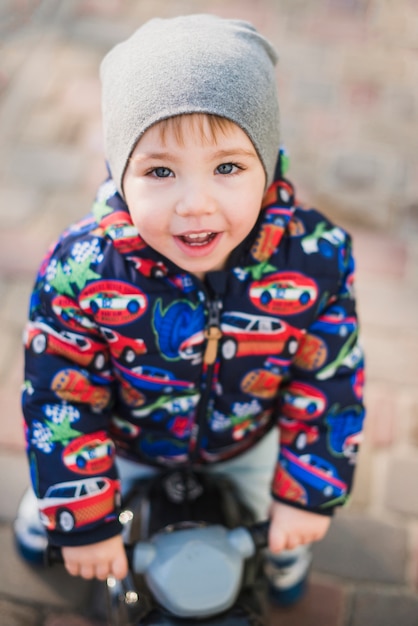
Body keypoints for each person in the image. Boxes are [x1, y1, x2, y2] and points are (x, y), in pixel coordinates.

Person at [16, 14, 365, 607]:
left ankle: (281, 538)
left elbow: (329, 379)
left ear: (268, 165)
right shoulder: (82, 270)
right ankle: (56, 519)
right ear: (120, 173)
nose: (196, 203)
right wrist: (84, 514)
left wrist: (305, 490)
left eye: (228, 167)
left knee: (280, 515)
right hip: (124, 446)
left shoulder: (316, 258)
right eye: (160, 171)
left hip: (245, 447)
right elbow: (61, 396)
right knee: (62, 505)